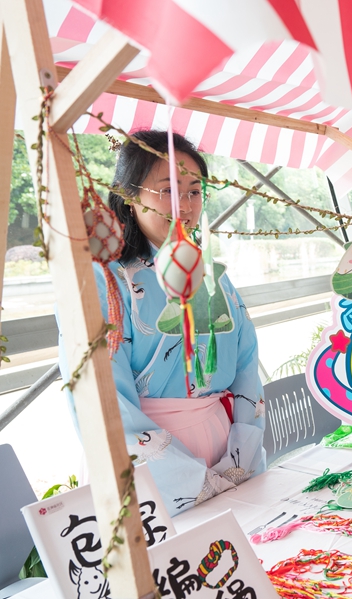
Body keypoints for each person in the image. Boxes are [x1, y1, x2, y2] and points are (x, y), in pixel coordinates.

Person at [60, 130, 266, 516]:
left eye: (194, 191)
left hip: (228, 449)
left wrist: (242, 452)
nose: (185, 205)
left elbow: (246, 364)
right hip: (154, 464)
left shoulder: (212, 274)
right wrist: (185, 478)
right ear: (130, 195)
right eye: (168, 190)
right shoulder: (104, 281)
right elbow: (103, 399)